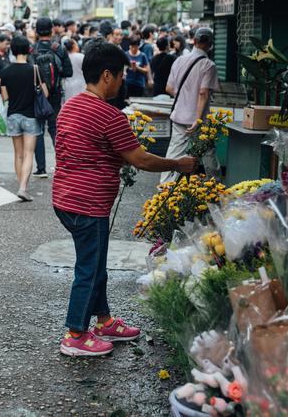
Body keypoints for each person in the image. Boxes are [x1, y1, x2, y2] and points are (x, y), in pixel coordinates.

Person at [53, 42, 197, 357]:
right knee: (89, 269)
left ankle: (103, 321)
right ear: (107, 75)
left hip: (65, 199)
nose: (122, 82)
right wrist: (178, 164)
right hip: (87, 204)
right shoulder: (109, 115)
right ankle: (75, 334)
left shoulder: (70, 106)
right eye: (120, 76)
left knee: (94, 263)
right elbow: (141, 160)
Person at [161, 27, 221, 184]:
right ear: (210, 44)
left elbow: (169, 88)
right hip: (199, 119)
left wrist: (185, 97)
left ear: (194, 41)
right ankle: (213, 187)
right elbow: (203, 93)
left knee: (174, 152)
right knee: (207, 153)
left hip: (179, 116)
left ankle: (165, 186)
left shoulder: (179, 60)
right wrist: (197, 119)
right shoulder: (209, 65)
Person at [0, 35, 47, 202]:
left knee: (18, 154)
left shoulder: (5, 72)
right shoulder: (34, 70)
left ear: (12, 50)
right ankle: (23, 188)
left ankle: (21, 186)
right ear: (28, 50)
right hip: (31, 117)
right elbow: (45, 93)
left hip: (13, 116)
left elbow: (5, 98)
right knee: (28, 154)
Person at [32, 17, 73, 178]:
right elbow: (68, 72)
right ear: (52, 30)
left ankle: (41, 168)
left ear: (36, 31)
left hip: (37, 95)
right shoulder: (59, 48)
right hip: (55, 95)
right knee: (55, 128)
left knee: (38, 130)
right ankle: (61, 165)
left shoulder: (32, 50)